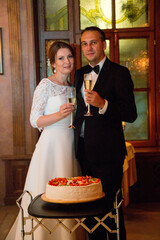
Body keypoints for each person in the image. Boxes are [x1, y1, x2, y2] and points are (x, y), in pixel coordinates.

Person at [6, 41, 82, 240]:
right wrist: (58, 115)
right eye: (61, 58)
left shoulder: (73, 87)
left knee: (68, 194)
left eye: (70, 57)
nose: (67, 61)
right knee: (48, 193)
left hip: (70, 145)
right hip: (50, 146)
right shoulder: (45, 85)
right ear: (53, 63)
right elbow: (34, 120)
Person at [74, 26, 137, 240]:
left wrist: (103, 104)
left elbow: (131, 114)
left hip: (108, 155)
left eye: (93, 42)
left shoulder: (120, 73)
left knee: (110, 208)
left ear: (103, 44)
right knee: (89, 210)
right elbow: (79, 112)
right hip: (82, 152)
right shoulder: (79, 74)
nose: (88, 47)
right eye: (84, 43)